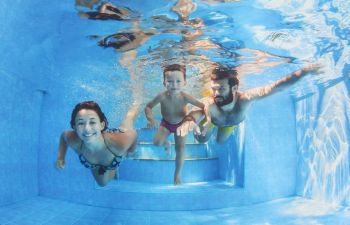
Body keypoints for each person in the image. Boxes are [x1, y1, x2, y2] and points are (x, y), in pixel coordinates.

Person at [176, 64, 320, 143]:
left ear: (234, 88)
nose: (216, 94)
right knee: (201, 139)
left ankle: (219, 130)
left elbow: (275, 87)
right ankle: (208, 126)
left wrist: (304, 72)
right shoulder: (210, 104)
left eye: (221, 89)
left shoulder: (244, 100)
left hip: (231, 124)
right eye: (213, 89)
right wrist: (187, 123)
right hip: (212, 121)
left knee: (220, 141)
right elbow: (194, 114)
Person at [144, 64, 209, 185]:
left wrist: (203, 120)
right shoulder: (162, 96)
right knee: (156, 143)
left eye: (178, 81)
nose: (174, 85)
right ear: (164, 83)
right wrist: (151, 119)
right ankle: (166, 142)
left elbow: (204, 106)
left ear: (185, 82)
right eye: (170, 81)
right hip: (166, 123)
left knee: (180, 149)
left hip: (181, 125)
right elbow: (148, 107)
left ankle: (177, 176)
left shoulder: (185, 97)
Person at [55, 101, 139, 187]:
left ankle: (137, 98)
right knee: (102, 183)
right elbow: (63, 136)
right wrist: (61, 157)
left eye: (92, 122)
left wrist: (131, 151)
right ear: (74, 127)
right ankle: (113, 168)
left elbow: (134, 134)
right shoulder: (74, 140)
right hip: (96, 163)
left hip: (114, 146)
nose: (87, 129)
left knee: (128, 119)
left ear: (102, 125)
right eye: (81, 123)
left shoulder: (119, 143)